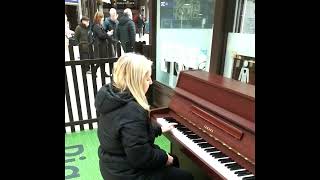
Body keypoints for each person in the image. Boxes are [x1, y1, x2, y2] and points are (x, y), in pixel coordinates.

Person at [95, 53, 194, 180]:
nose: (151, 82)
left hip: (111, 166)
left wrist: (158, 129)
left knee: (173, 161)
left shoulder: (111, 97)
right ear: (136, 81)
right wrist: (165, 157)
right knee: (185, 176)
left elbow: (126, 134)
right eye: (147, 78)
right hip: (127, 174)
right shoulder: (132, 110)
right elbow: (141, 157)